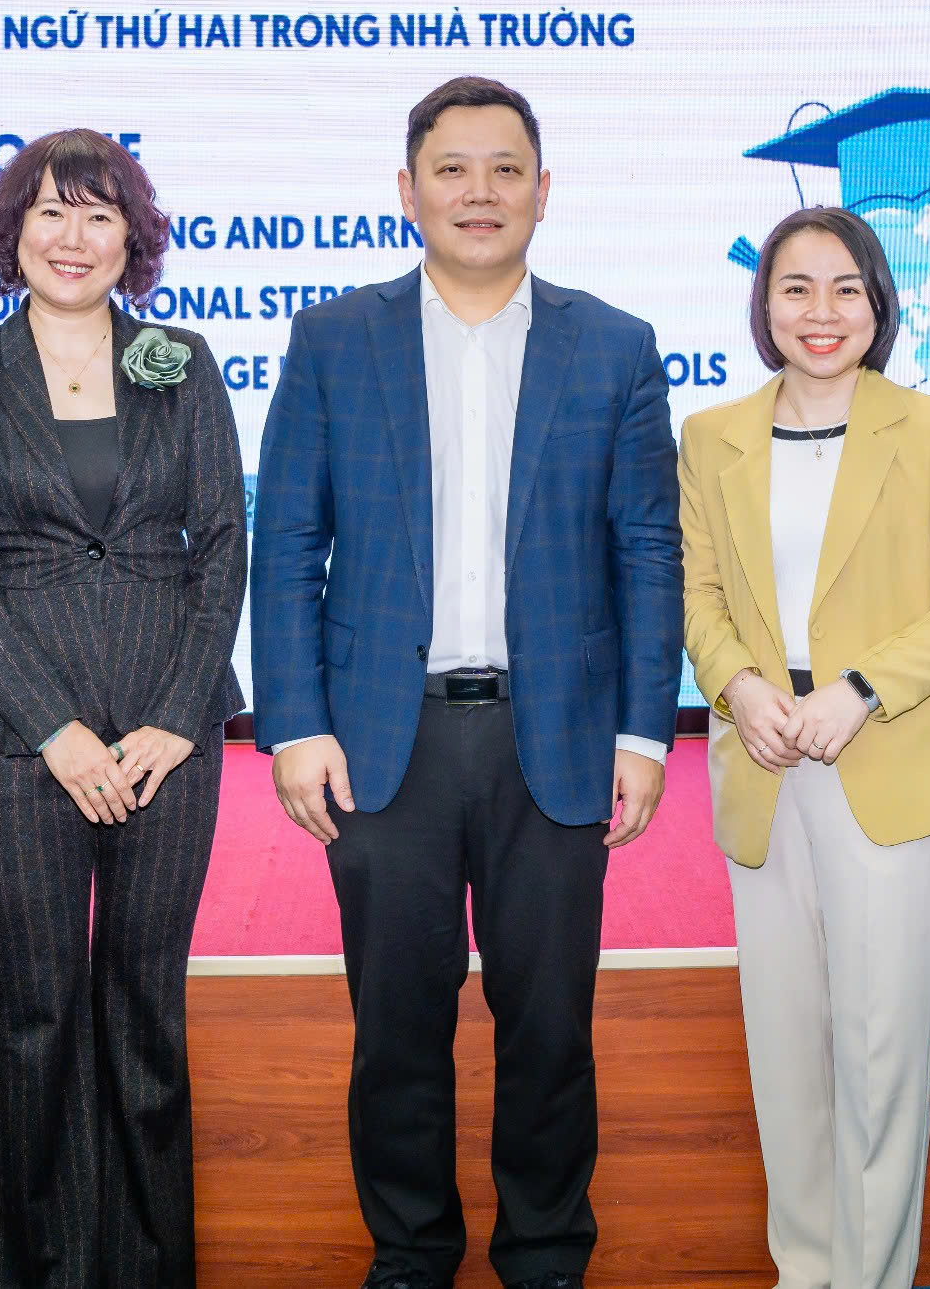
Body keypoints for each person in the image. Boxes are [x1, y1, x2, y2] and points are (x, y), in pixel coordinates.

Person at [251, 75, 684, 1289]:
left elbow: (648, 550)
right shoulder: (336, 340)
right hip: (381, 742)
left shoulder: (614, 345)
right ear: (408, 191)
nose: (478, 192)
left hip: (558, 738)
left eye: (505, 169)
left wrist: (644, 733)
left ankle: (544, 1253)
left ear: (544, 191)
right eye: (451, 169)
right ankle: (411, 1253)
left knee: (549, 1027)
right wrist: (294, 722)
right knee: (396, 1027)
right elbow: (288, 542)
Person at [0, 130, 246, 1288]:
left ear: (131, 239)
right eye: (51, 212)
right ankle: (43, 1269)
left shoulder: (178, 359)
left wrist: (178, 715)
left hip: (167, 736)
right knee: (39, 1015)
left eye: (99, 215)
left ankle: (150, 1268)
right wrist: (54, 731)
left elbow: (223, 544)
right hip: (19, 742)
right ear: (12, 232)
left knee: (145, 1009)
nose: (73, 236)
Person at [676, 206, 930, 1289]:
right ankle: (805, 1270)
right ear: (763, 305)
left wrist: (861, 691)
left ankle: (872, 1276)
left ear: (878, 303)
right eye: (796, 288)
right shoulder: (711, 435)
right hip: (766, 760)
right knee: (785, 1047)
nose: (821, 312)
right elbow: (697, 593)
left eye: (845, 288)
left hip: (886, 756)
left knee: (881, 1049)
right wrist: (737, 684)